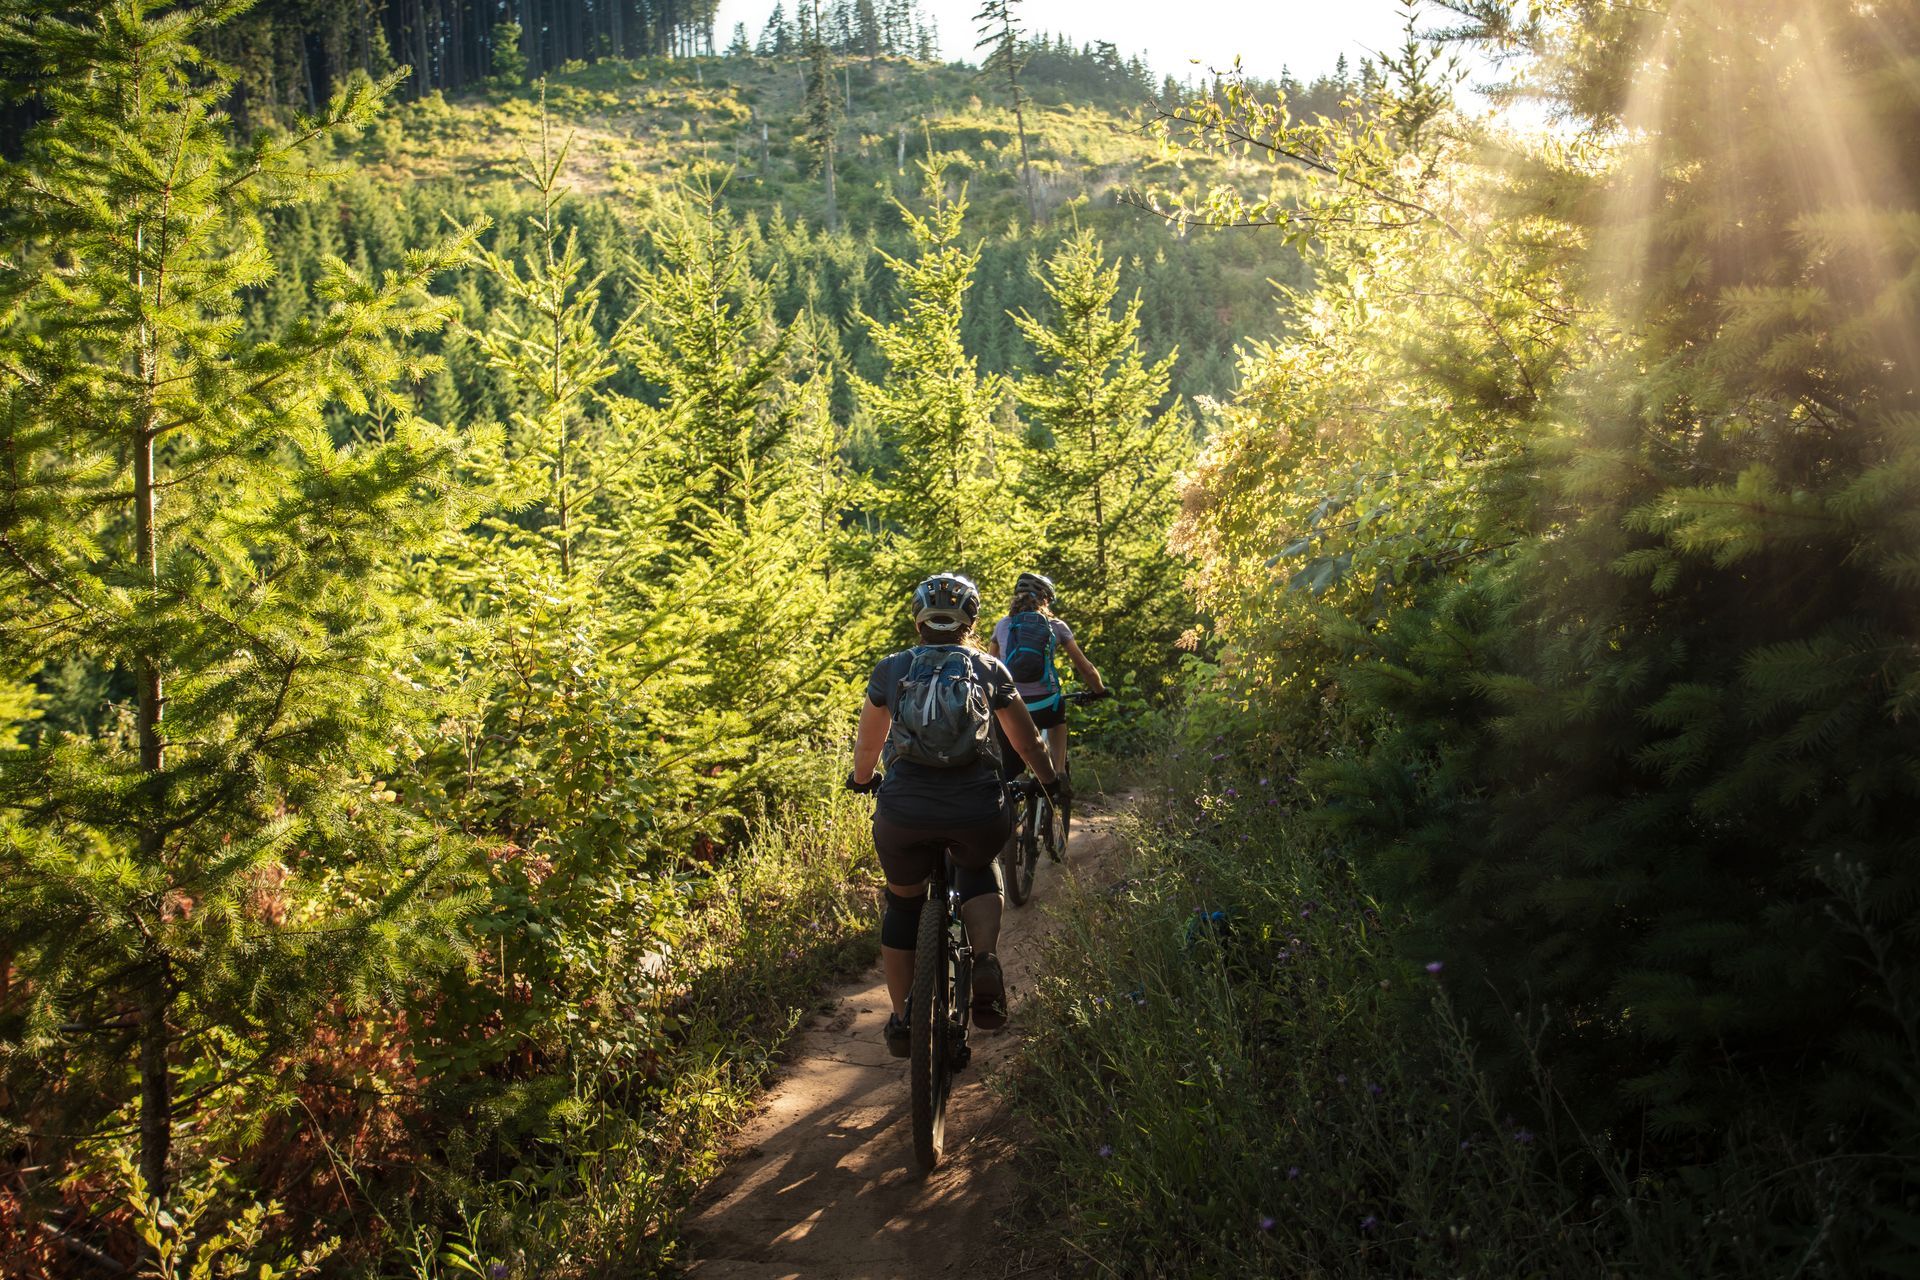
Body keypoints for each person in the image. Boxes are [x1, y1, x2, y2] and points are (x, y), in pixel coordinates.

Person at [846, 572, 1069, 1058]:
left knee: (903, 904)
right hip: (976, 808)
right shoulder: (990, 668)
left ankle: (905, 1015)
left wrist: (863, 781)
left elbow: (868, 743)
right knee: (978, 867)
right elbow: (1025, 741)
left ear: (918, 620)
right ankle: (985, 959)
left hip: (904, 811)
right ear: (971, 619)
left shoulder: (891, 669)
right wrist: (1050, 782)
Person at [987, 571, 1106, 777]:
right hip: (1045, 704)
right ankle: (1059, 773)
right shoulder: (1056, 626)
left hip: (1010, 705)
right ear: (1046, 600)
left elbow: (990, 665)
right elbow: (1085, 667)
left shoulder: (1003, 625)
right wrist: (1099, 690)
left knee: (1009, 769)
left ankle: (1012, 789)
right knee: (1058, 719)